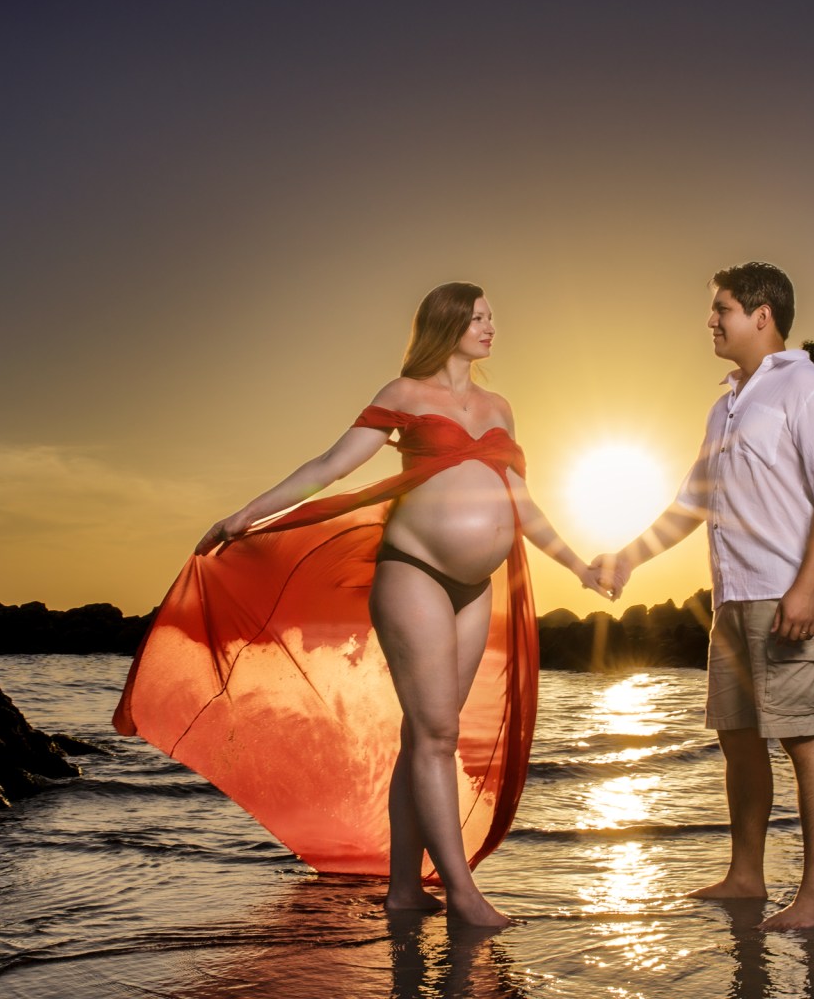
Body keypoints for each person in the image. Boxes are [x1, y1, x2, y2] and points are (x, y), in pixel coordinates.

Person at [114, 282, 606, 929]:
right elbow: (329, 467)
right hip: (415, 575)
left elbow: (521, 501)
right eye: (479, 317)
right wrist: (245, 515)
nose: (491, 328)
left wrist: (578, 566)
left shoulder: (500, 407)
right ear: (448, 324)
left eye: (492, 317)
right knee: (437, 733)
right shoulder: (403, 395)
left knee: (427, 736)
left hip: (474, 589)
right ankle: (462, 894)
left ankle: (405, 888)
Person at [594, 262, 814, 931]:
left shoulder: (808, 389)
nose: (712, 321)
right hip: (732, 602)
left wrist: (806, 588)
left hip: (787, 597)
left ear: (762, 314)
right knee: (738, 741)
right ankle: (746, 876)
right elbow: (692, 503)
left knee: (805, 739)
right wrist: (628, 555)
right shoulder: (726, 405)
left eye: (723, 309)